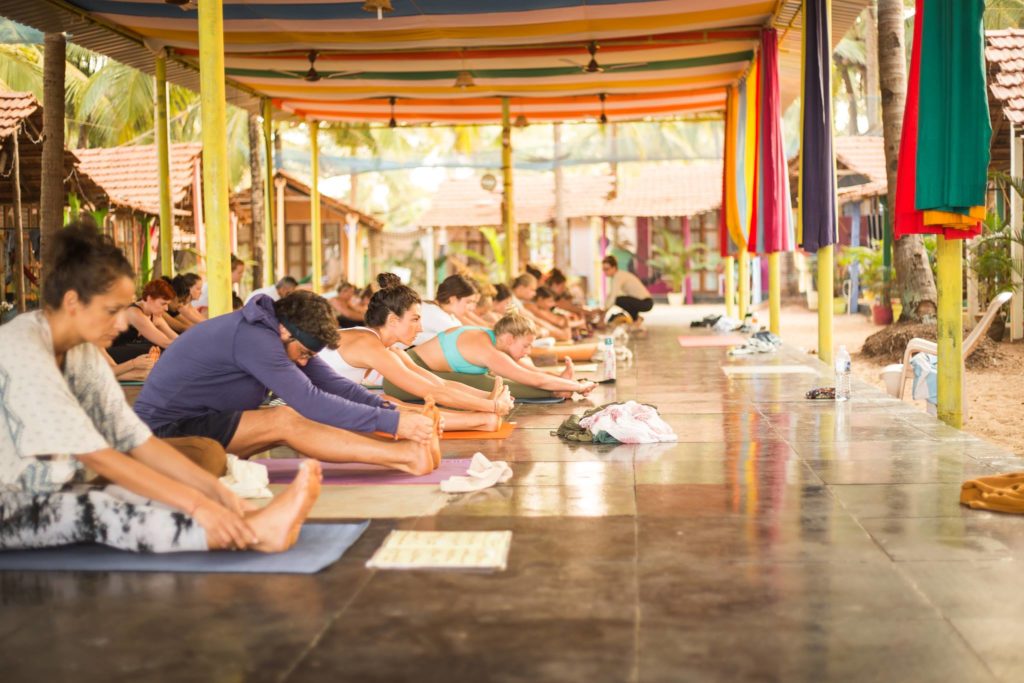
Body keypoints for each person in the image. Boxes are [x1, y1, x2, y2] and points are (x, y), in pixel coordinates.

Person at [0, 221, 321, 554]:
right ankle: (256, 535)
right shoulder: (21, 349)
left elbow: (136, 439)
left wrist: (221, 496)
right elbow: (99, 457)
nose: (122, 323)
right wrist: (198, 505)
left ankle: (248, 521)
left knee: (131, 492)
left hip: (57, 487)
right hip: (9, 504)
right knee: (100, 509)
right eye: (112, 311)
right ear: (72, 302)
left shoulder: (82, 352)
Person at [133, 290, 438, 474]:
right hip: (162, 435)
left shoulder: (277, 331)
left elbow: (332, 383)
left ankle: (404, 454)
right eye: (303, 353)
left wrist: (391, 412)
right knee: (284, 419)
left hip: (199, 423)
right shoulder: (255, 338)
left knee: (289, 419)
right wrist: (395, 424)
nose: (304, 362)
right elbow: (311, 401)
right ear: (285, 332)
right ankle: (405, 456)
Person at [320, 274, 513, 430]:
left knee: (386, 401)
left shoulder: (388, 348)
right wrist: (493, 406)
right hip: (310, 406)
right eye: (415, 319)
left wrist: (487, 397)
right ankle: (480, 421)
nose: (420, 328)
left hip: (332, 399)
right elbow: (433, 393)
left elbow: (439, 383)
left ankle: (481, 419)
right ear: (393, 320)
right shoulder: (369, 345)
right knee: (388, 406)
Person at [411, 313, 597, 399]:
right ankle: (557, 391)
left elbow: (526, 369)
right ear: (509, 338)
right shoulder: (487, 349)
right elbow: (532, 379)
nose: (528, 351)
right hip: (412, 371)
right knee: (497, 387)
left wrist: (560, 379)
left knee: (490, 382)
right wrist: (578, 386)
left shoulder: (493, 337)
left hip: (425, 370)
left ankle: (559, 387)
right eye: (526, 346)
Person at [108, 279, 179, 363]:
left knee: (157, 349)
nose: (166, 308)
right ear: (149, 299)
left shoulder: (155, 316)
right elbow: (165, 343)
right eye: (163, 304)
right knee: (155, 349)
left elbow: (176, 338)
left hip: (128, 351)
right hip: (110, 353)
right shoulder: (134, 313)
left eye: (167, 304)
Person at [411, 274, 478, 347]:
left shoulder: (439, 310)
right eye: (468, 302)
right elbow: (467, 340)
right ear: (452, 299)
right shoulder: (434, 314)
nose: (471, 308)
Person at [509, 273, 571, 341]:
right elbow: (534, 319)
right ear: (521, 287)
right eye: (532, 290)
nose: (535, 293)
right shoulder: (513, 301)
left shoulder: (517, 301)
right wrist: (560, 333)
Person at [602, 255, 653, 323]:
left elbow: (613, 297)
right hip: (643, 302)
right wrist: (604, 308)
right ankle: (636, 318)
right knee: (622, 300)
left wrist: (603, 314)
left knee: (618, 300)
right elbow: (610, 295)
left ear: (614, 268)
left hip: (646, 303)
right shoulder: (618, 275)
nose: (605, 272)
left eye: (607, 269)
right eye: (603, 269)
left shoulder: (618, 276)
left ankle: (636, 319)